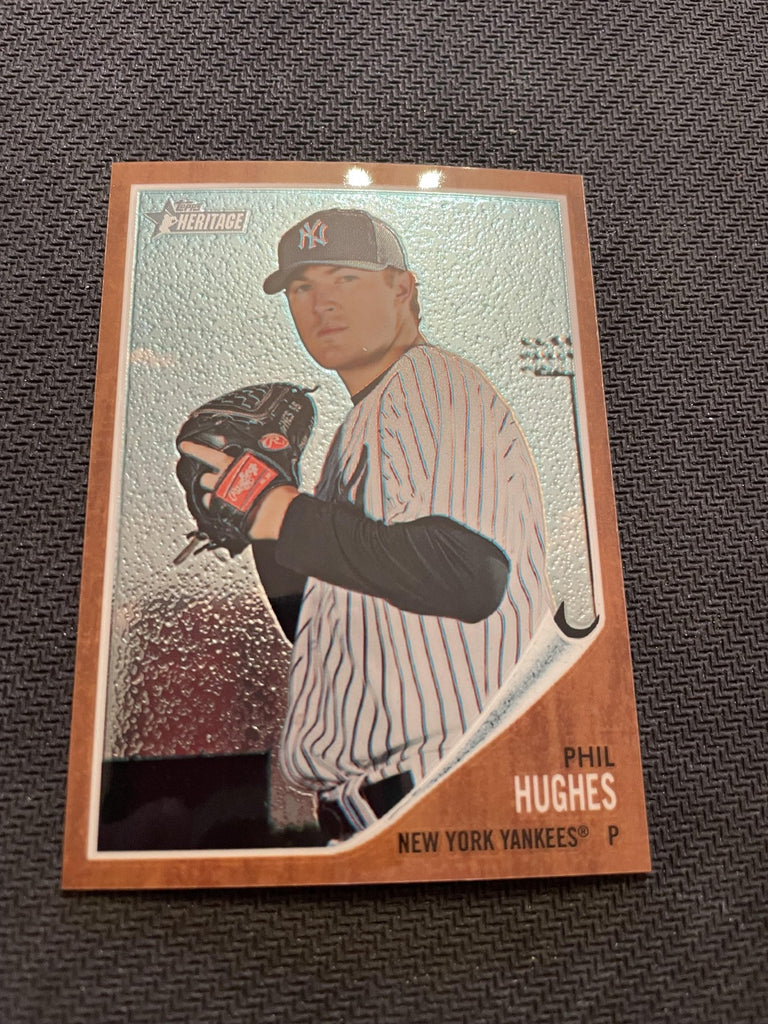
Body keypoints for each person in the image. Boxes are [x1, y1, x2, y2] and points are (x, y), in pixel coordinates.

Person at [181, 208, 554, 842]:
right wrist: (266, 530)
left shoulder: (431, 385)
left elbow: (471, 575)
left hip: (440, 788)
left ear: (402, 288)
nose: (321, 302)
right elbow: (334, 632)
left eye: (345, 278)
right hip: (391, 805)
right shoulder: (369, 421)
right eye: (302, 286)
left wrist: (281, 509)